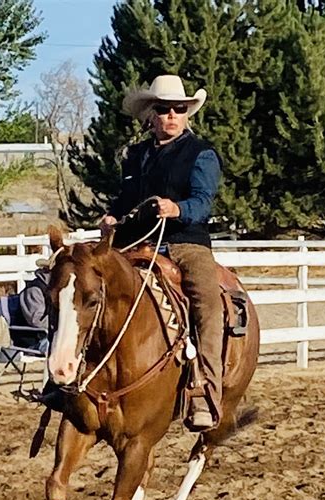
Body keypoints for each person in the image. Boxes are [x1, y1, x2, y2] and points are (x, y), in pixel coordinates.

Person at [100, 74, 224, 431]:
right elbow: (124, 200)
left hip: (186, 243)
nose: (171, 115)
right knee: (87, 288)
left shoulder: (201, 154)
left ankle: (205, 391)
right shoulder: (135, 156)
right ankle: (74, 377)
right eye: (164, 108)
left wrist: (178, 209)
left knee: (207, 305)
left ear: (187, 114)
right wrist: (111, 217)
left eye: (178, 109)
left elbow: (203, 202)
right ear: (150, 115)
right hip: (138, 242)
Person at [17, 267, 50, 354]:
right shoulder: (34, 290)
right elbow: (36, 320)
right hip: (36, 339)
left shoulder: (56, 289)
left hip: (53, 335)